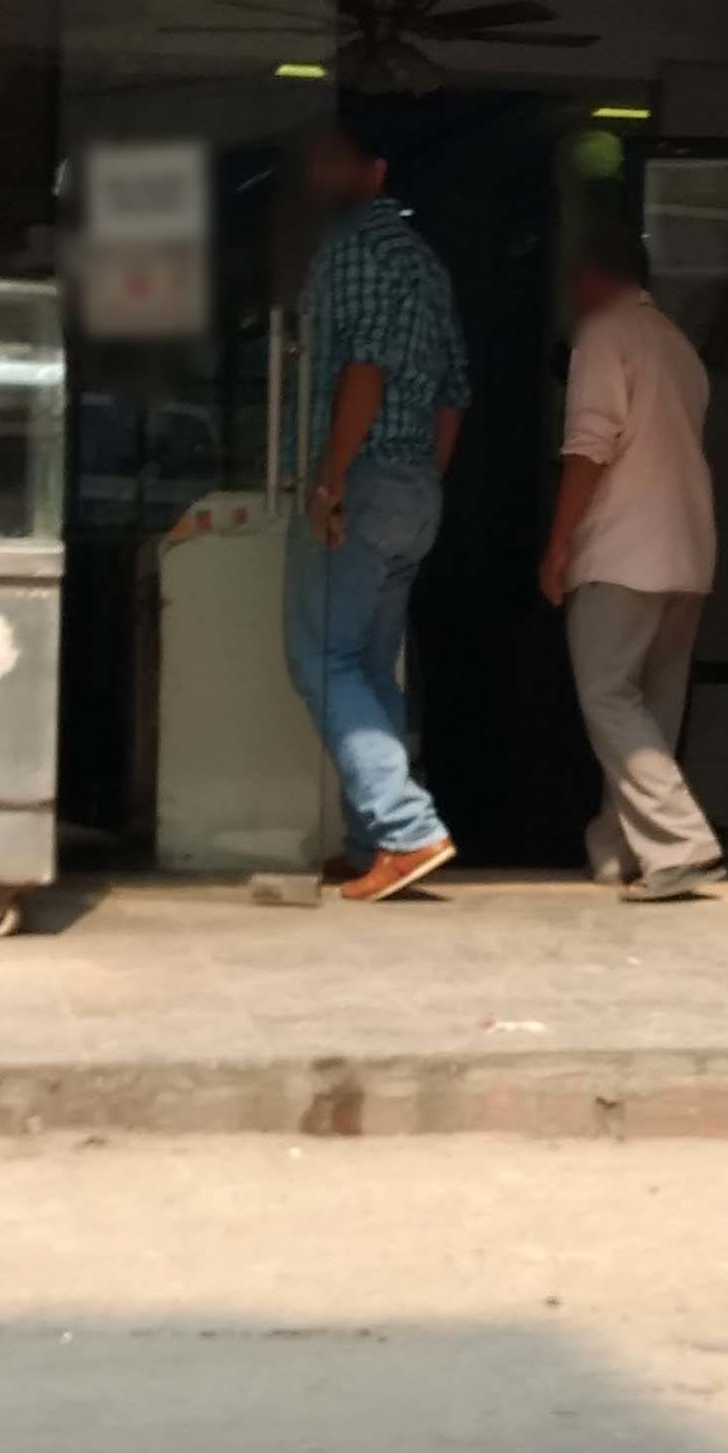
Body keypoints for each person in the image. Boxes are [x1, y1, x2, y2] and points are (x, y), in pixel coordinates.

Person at [285, 103, 470, 901]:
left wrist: (334, 479)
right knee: (368, 664)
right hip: (413, 487)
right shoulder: (427, 263)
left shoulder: (353, 248)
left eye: (332, 162)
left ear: (372, 174)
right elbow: (455, 392)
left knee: (320, 657)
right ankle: (372, 842)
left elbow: (362, 370)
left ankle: (404, 827)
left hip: (362, 480)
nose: (317, 177)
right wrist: (421, 479)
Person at [539, 217, 724, 900]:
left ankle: (678, 843)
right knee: (653, 704)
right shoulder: (676, 345)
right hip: (688, 551)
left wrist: (559, 543)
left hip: (623, 549)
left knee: (607, 693)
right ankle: (617, 849)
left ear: (589, 276)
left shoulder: (604, 334)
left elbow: (590, 445)